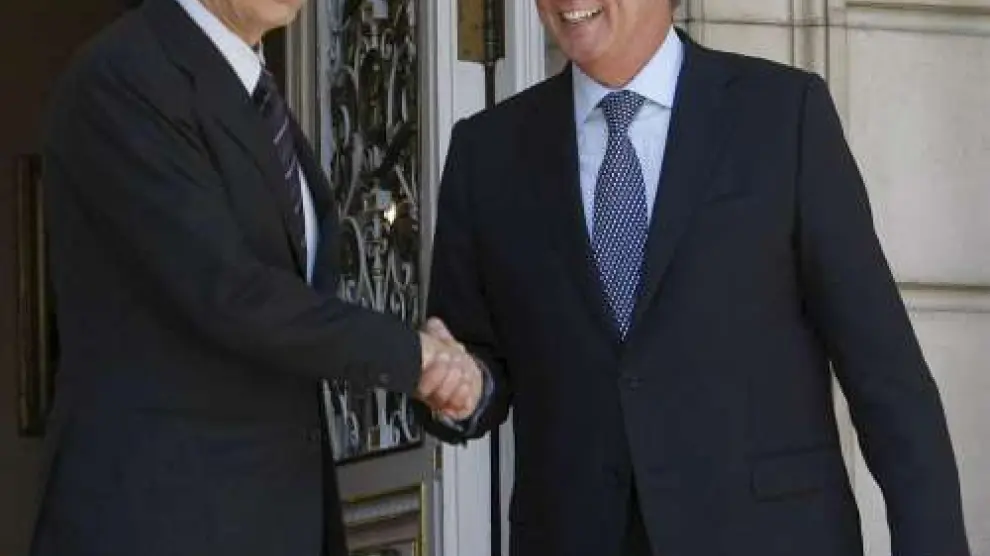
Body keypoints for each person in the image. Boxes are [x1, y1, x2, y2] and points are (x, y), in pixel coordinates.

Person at [423, 0, 971, 555]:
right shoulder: (486, 152)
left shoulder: (781, 115)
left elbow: (886, 376)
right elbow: (470, 357)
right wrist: (459, 387)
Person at [30, 0, 483, 555]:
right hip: (160, 518)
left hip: (267, 517)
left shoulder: (253, 92)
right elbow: (228, 291)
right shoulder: (125, 76)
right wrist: (413, 356)